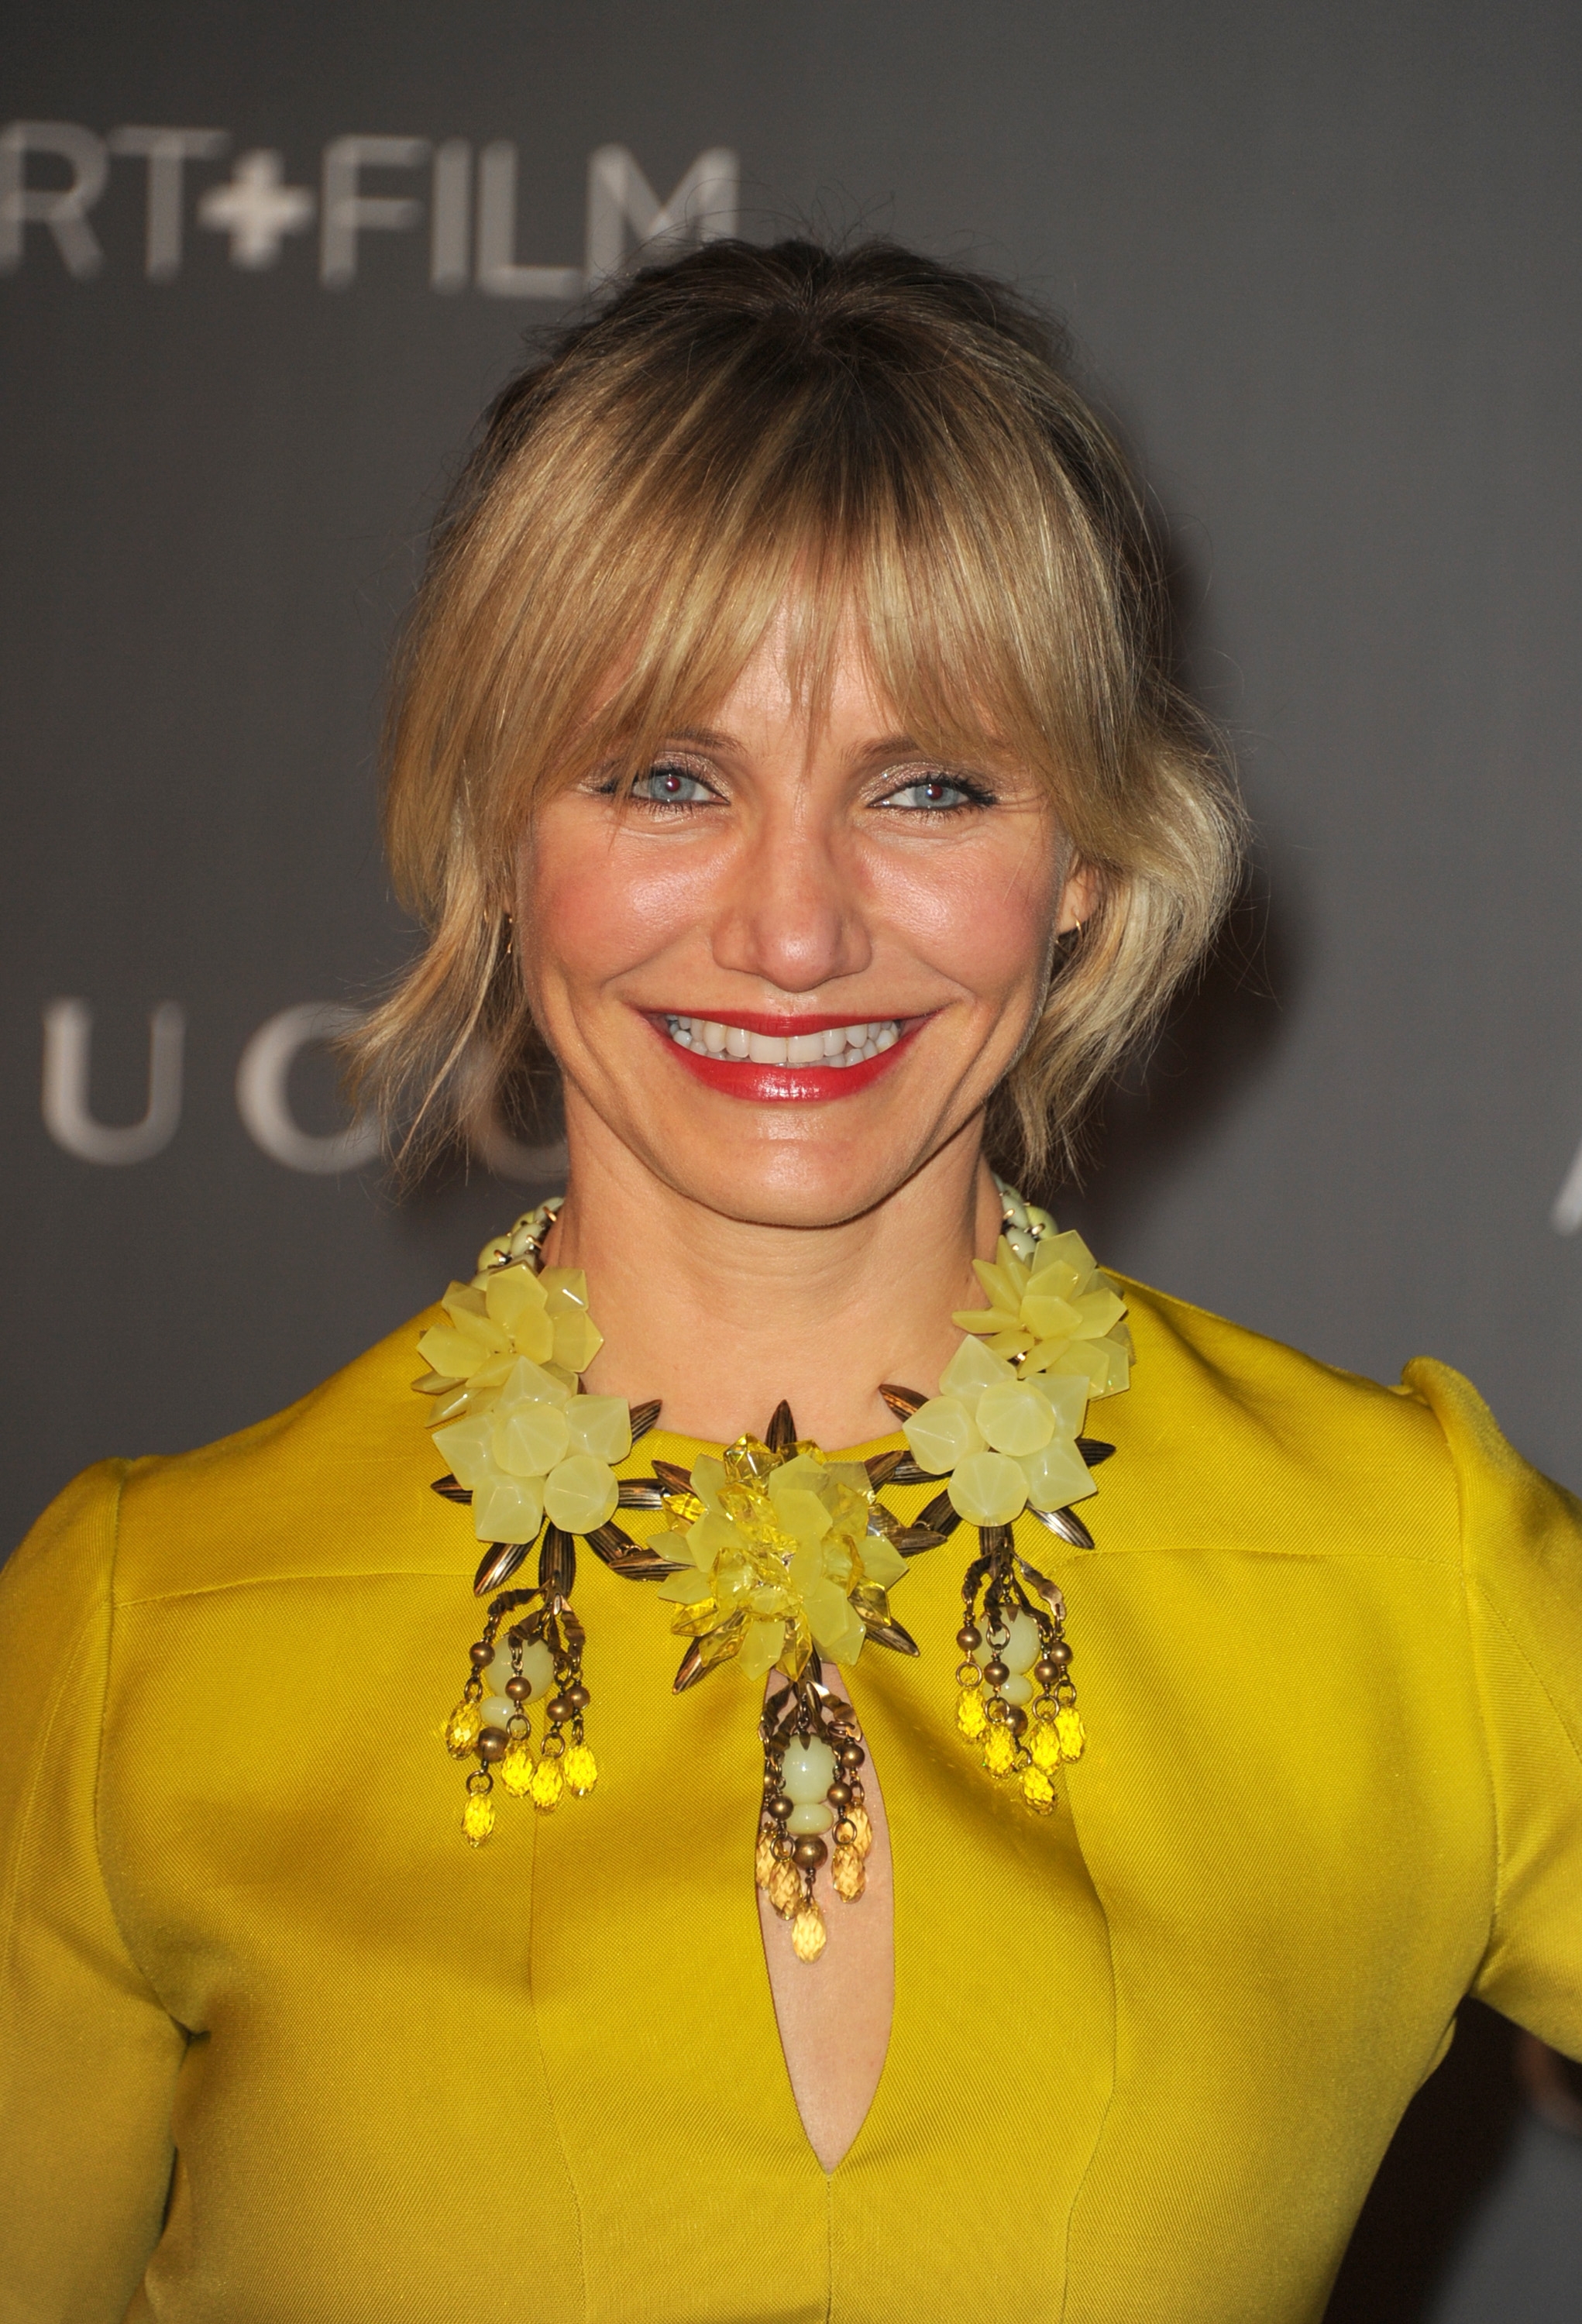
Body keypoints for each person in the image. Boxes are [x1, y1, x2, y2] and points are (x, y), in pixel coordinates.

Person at [1, 237, 1577, 2324]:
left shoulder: (1402, 1572)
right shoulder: (149, 1638)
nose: (794, 930)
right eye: (668, 774)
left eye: (928, 786)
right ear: (498, 830)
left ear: (1083, 865)